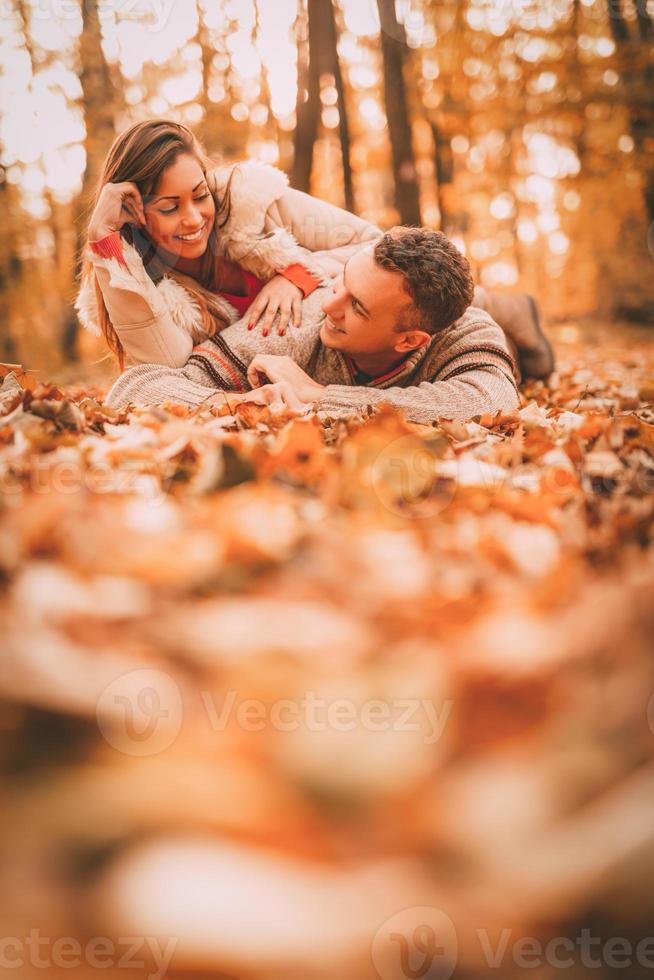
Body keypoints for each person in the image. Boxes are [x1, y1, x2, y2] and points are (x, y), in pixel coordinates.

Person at [77, 118, 553, 384]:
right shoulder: (138, 278)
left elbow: (374, 245)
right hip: (309, 351)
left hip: (342, 300)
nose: (194, 218)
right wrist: (105, 244)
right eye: (169, 207)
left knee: (426, 298)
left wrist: (295, 275)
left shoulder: (255, 202)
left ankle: (506, 308)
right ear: (137, 213)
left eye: (200, 194)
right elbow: (165, 367)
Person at [105, 226, 527, 424]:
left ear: (410, 340)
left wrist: (319, 396)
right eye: (342, 279)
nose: (329, 305)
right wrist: (240, 402)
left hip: (493, 333)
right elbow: (136, 386)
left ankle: (522, 316)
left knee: (522, 347)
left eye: (356, 306)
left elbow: (494, 399)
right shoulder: (293, 319)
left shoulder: (466, 331)